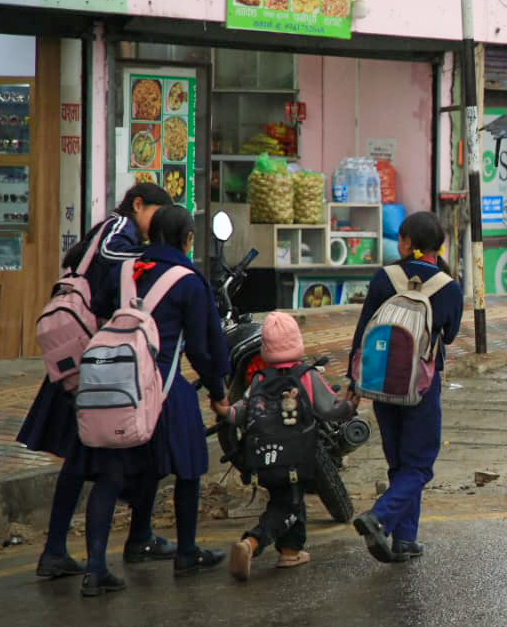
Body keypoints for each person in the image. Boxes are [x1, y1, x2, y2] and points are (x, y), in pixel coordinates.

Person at [18, 183, 174, 580]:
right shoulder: (115, 228)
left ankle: (58, 549)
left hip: (88, 359)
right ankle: (106, 546)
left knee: (80, 454)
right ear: (138, 205)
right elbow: (110, 255)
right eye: (156, 213)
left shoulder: (115, 232)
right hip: (96, 361)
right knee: (100, 454)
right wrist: (158, 254)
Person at [76, 205, 231, 596]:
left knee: (113, 475)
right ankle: (187, 552)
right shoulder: (190, 281)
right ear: (187, 239)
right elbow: (201, 347)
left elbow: (96, 312)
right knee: (189, 466)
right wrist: (218, 392)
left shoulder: (123, 270)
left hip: (116, 387)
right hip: (164, 387)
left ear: (150, 236)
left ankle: (97, 567)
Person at [349, 212, 463, 563]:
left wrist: (353, 381)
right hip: (421, 386)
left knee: (400, 462)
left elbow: (363, 328)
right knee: (419, 466)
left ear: (407, 242)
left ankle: (405, 540)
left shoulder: (384, 277)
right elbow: (452, 334)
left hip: (380, 381)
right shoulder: (448, 286)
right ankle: (380, 517)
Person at [225, 312, 359, 582]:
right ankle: (252, 542)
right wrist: (350, 406)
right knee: (287, 506)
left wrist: (224, 411)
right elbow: (329, 409)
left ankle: (290, 551)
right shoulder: (306, 376)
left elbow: (241, 412)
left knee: (286, 498)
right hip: (296, 457)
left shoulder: (260, 379)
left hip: (264, 458)